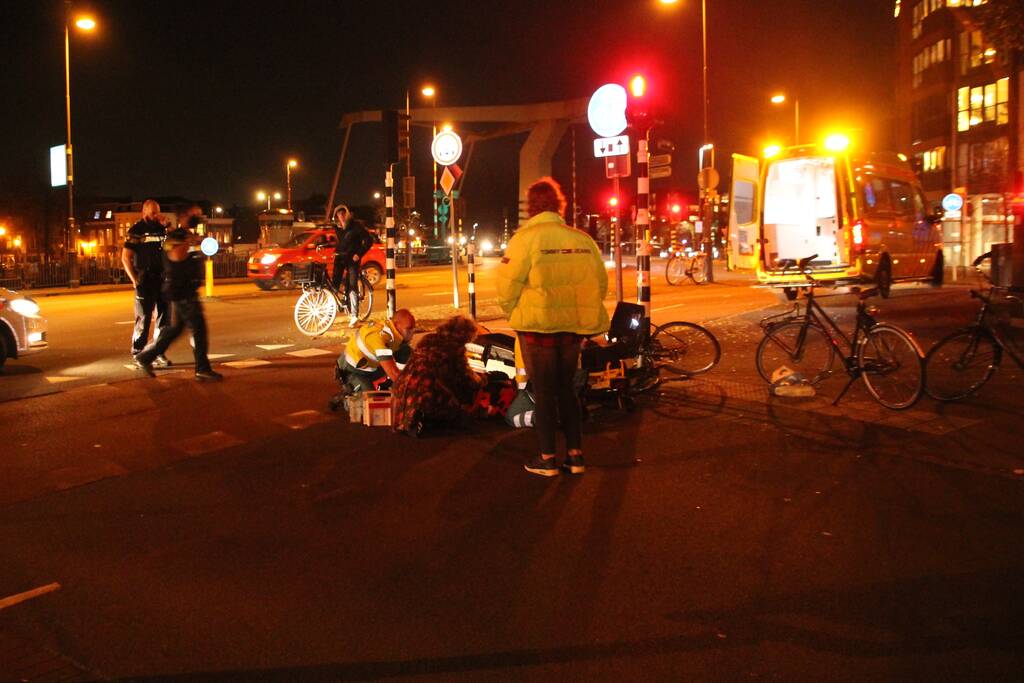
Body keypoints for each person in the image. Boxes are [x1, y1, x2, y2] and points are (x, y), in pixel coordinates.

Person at [496, 177, 608, 477]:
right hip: (571, 330)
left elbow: (506, 288)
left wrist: (517, 313)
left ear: (531, 207)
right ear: (560, 205)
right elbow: (600, 284)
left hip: (537, 328)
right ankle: (576, 455)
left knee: (544, 392)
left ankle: (547, 458)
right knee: (567, 390)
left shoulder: (524, 239)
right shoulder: (582, 240)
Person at [135, 206, 222, 382]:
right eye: (194, 214)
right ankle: (202, 369)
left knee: (175, 330)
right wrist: (189, 242)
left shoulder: (186, 235)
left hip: (186, 289)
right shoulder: (176, 236)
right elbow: (175, 256)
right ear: (183, 216)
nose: (197, 217)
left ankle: (145, 357)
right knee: (199, 329)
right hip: (181, 290)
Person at [391, 315, 484, 436]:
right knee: (462, 414)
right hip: (424, 392)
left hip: (402, 388)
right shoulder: (454, 348)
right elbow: (465, 376)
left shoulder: (427, 339)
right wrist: (481, 380)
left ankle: (408, 422)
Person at [122, 199, 171, 365]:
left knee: (164, 319)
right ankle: (138, 352)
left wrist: (168, 227)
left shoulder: (163, 229)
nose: (157, 216)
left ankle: (157, 351)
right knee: (144, 318)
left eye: (158, 212)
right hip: (145, 279)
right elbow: (125, 258)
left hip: (162, 278)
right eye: (153, 213)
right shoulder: (136, 231)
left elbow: (173, 247)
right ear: (144, 213)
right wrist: (134, 280)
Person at [338, 308, 416, 393]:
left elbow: (415, 359)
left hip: (371, 367)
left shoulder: (394, 335)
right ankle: (347, 395)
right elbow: (393, 373)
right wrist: (414, 388)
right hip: (353, 370)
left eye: (413, 329)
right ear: (397, 325)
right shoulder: (378, 338)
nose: (412, 333)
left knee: (406, 354)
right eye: (408, 329)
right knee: (370, 399)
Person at [331, 205, 375, 327]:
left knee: (352, 285)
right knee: (334, 284)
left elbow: (368, 240)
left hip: (352, 259)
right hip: (340, 258)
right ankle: (332, 308)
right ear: (336, 216)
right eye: (339, 214)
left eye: (343, 213)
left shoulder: (356, 226)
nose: (342, 216)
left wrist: (359, 254)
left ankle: (354, 315)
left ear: (347, 214)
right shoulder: (337, 228)